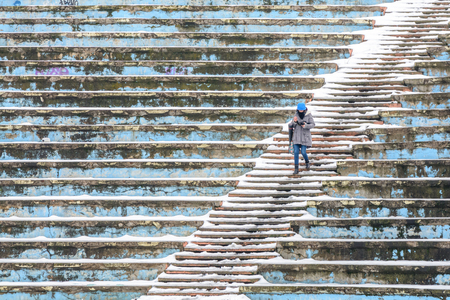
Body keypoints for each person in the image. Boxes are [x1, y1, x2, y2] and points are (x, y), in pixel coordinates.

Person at [289, 103, 315, 175]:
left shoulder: (308, 115)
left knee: (303, 152)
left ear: (304, 109)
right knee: (296, 152)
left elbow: (313, 124)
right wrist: (294, 121)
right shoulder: (296, 115)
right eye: (299, 110)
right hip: (297, 136)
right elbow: (292, 125)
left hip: (305, 137)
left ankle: (307, 161)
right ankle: (296, 168)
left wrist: (306, 125)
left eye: (302, 110)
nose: (300, 111)